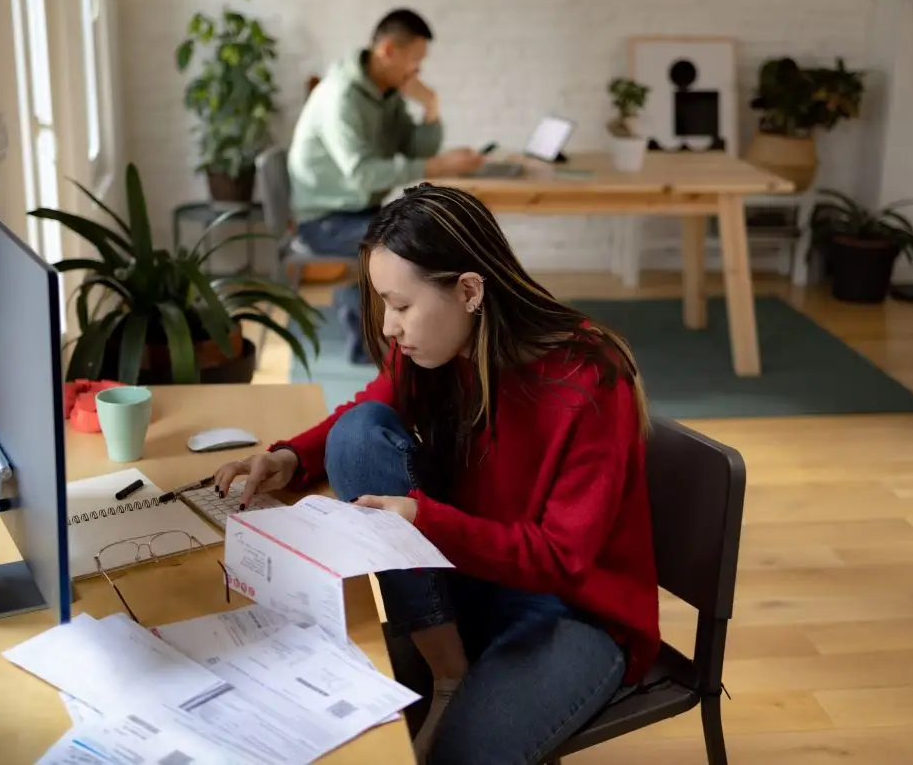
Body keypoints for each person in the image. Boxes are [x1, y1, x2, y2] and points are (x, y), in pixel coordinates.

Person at [213, 183, 660, 765]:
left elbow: (561, 558)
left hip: (571, 608)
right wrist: (290, 458)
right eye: (383, 305)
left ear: (469, 290)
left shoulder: (591, 379)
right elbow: (369, 411)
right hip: (473, 571)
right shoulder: (439, 346)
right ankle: (450, 673)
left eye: (400, 306)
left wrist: (424, 520)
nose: (390, 328)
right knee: (359, 433)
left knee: (455, 757)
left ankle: (452, 679)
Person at [287, 8, 484, 365]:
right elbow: (363, 174)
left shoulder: (384, 94)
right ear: (389, 51)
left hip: (361, 212)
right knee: (413, 247)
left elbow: (417, 147)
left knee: (430, 232)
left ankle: (426, 334)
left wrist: (431, 106)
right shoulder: (342, 97)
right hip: (326, 220)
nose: (417, 71)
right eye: (415, 61)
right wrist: (439, 166)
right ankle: (375, 345)